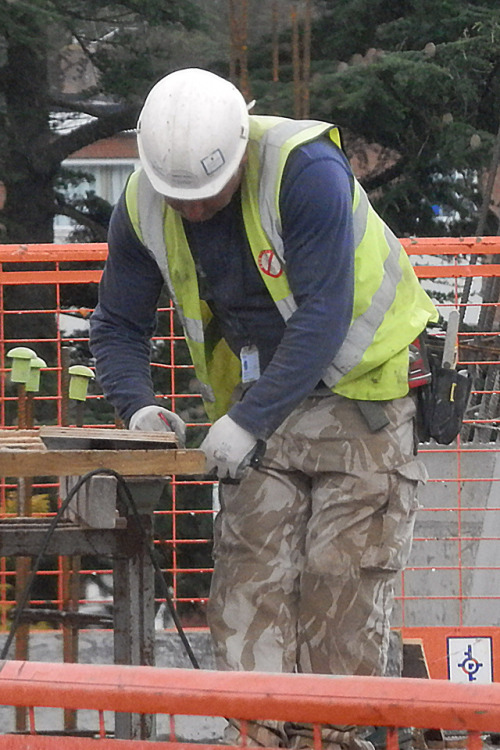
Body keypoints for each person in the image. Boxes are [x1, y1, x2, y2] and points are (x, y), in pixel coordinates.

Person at [89, 67, 438, 749]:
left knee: (342, 582)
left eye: (206, 195)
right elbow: (117, 325)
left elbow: (324, 314)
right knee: (248, 582)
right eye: (178, 196)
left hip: (363, 391)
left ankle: (339, 738)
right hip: (260, 405)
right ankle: (256, 733)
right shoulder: (142, 202)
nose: (192, 210)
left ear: (239, 148)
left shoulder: (304, 168)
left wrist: (247, 421)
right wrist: (138, 408)